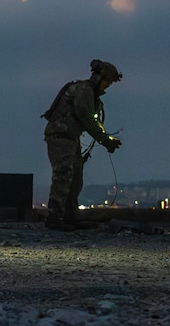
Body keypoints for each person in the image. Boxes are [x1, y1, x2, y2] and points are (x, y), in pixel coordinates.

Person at [40, 59, 123, 229]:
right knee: (63, 174)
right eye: (107, 81)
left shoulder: (91, 95)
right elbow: (87, 119)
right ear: (99, 78)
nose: (107, 86)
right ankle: (55, 217)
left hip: (71, 139)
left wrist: (106, 139)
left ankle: (69, 216)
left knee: (76, 178)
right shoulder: (83, 90)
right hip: (60, 137)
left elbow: (92, 121)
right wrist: (106, 141)